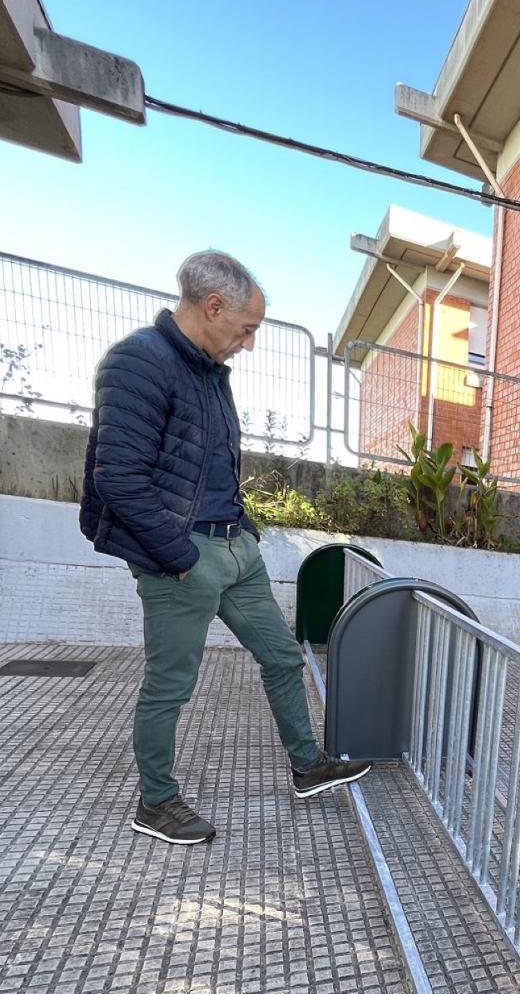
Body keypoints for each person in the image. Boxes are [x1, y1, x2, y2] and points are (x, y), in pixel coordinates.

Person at [80, 250, 370, 846]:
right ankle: (156, 803)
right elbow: (118, 477)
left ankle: (307, 765)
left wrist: (244, 529)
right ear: (213, 307)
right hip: (180, 557)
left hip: (237, 550)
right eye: (247, 328)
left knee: (284, 657)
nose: (249, 342)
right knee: (171, 684)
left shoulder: (211, 373)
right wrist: (180, 558)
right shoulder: (138, 361)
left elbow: (213, 467)